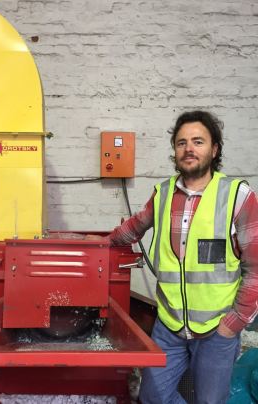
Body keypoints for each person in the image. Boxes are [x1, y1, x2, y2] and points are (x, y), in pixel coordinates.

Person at [108, 110, 258, 404]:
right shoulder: (163, 194)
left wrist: (235, 322)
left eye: (198, 141)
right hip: (170, 324)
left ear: (214, 149)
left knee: (209, 401)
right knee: (153, 397)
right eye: (181, 143)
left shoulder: (238, 196)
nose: (189, 149)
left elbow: (256, 268)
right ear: (175, 151)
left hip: (217, 328)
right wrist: (97, 244)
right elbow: (133, 228)